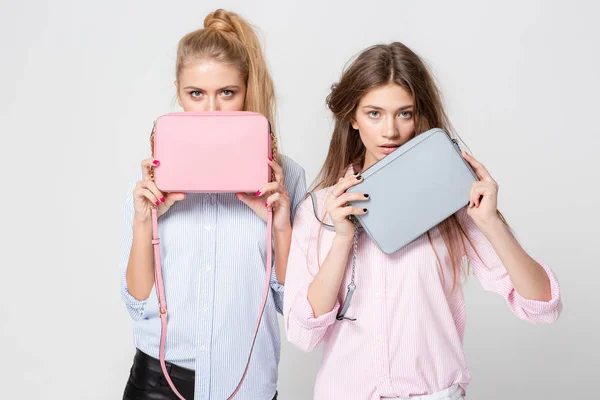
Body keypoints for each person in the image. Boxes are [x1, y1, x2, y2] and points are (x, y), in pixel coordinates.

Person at [283, 42, 561, 400]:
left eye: (405, 113)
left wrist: (490, 222)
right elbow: (303, 335)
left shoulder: (455, 204)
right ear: (352, 118)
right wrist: (341, 239)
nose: (390, 131)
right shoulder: (319, 209)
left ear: (420, 116)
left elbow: (542, 306)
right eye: (374, 113)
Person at [119, 9, 306, 400]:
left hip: (246, 383)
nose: (211, 110)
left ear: (246, 89)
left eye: (227, 93)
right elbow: (137, 302)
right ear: (178, 90)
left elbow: (293, 304)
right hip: (159, 382)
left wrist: (282, 228)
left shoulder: (283, 177)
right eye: (196, 94)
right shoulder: (155, 174)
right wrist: (143, 223)